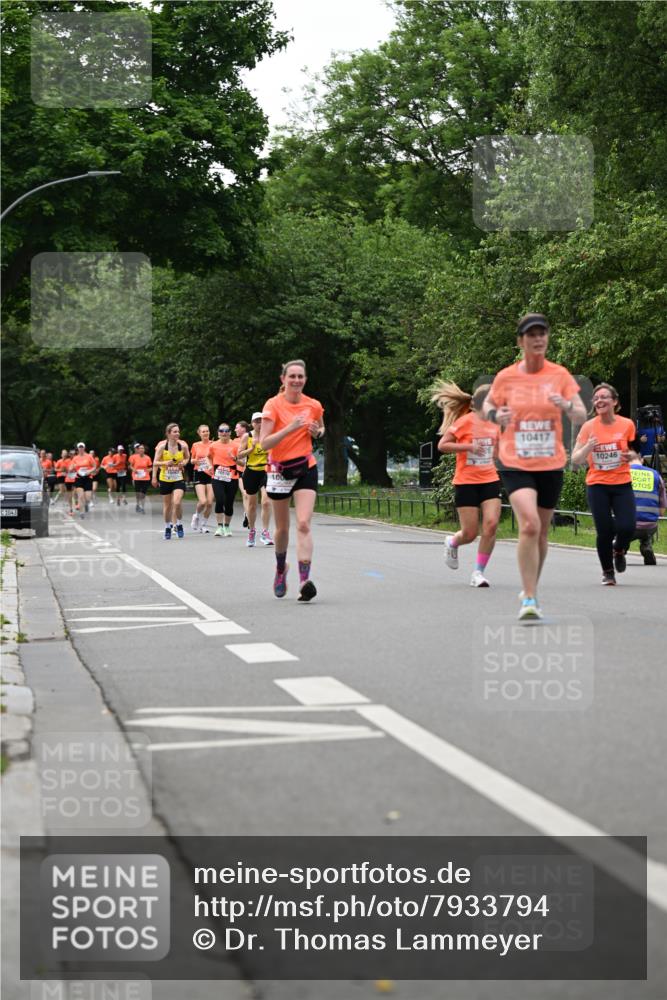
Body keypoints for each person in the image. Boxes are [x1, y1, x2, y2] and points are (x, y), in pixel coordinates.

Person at [483, 313, 586, 619]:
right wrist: (495, 416)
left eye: (542, 334)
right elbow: (488, 404)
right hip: (515, 460)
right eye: (531, 335)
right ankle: (529, 598)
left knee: (541, 533)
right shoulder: (506, 377)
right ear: (521, 341)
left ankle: (531, 587)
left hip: (550, 461)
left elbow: (580, 413)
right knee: (529, 523)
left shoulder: (559, 375)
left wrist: (566, 405)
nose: (538, 339)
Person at [259, 359, 324, 601]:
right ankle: (280, 569)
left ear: (305, 379)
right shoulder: (273, 405)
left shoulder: (314, 405)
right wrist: (291, 427)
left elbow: (321, 429)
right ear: (283, 379)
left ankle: (304, 581)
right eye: (292, 376)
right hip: (279, 470)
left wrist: (316, 432)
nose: (296, 380)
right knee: (282, 528)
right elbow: (264, 443)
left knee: (304, 523)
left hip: (305, 466)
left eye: (300, 376)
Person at [433, 381, 501, 587]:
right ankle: (452, 542)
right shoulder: (464, 422)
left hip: (490, 479)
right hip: (466, 482)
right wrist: (469, 446)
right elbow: (442, 445)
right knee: (470, 533)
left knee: (491, 525)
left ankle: (478, 573)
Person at [572, 383, 638, 585]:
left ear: (615, 402)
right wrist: (588, 447)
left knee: (628, 526)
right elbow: (575, 459)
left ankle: (619, 549)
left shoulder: (627, 424)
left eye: (604, 397)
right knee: (604, 531)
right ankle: (608, 572)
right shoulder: (588, 427)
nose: (599, 401)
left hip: (622, 483)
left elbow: (635, 453)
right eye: (596, 398)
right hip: (597, 484)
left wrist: (632, 456)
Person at [239, 412, 274, 547]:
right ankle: (252, 530)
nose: (259, 423)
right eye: (256, 421)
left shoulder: (269, 435)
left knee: (266, 502)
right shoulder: (247, 437)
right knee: (252, 505)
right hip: (251, 471)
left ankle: (265, 533)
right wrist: (252, 448)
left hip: (266, 470)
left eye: (261, 421)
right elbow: (239, 454)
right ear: (252, 423)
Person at [627, 449, 665, 566]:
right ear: (642, 460)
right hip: (651, 525)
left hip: (628, 525)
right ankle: (646, 544)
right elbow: (662, 506)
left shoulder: (622, 474)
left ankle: (620, 548)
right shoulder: (655, 475)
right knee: (645, 532)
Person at [152, 423, 189, 539]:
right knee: (167, 506)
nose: (177, 434)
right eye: (174, 432)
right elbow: (155, 462)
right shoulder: (162, 447)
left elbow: (188, 457)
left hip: (178, 477)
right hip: (165, 478)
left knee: (177, 502)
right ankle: (167, 527)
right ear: (168, 434)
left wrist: (184, 462)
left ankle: (178, 524)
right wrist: (164, 463)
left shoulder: (182, 446)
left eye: (178, 431)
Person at [209, 424, 240, 537]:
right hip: (217, 476)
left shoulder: (236, 445)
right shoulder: (213, 445)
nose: (224, 433)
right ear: (218, 433)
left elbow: (242, 463)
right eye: (221, 430)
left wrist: (235, 459)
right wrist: (209, 466)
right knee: (220, 499)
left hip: (232, 477)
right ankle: (219, 526)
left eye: (227, 430)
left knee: (229, 503)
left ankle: (227, 526)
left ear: (230, 432)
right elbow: (208, 457)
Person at [189, 425, 214, 533]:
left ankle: (203, 525)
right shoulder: (195, 445)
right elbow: (191, 460)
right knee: (203, 501)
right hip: (199, 473)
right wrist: (194, 461)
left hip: (211, 473)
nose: (205, 433)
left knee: (209, 503)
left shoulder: (214, 444)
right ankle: (196, 515)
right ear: (199, 433)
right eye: (203, 431)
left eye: (207, 431)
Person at [70, 442, 96, 517]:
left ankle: (86, 504)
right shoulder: (75, 458)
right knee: (80, 496)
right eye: (79, 447)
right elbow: (70, 468)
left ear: (84, 448)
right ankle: (82, 512)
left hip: (88, 478)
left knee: (87, 497)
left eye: (82, 447)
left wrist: (89, 471)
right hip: (79, 478)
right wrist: (73, 467)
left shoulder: (89, 456)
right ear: (78, 449)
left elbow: (94, 466)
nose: (81, 449)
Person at [234, 420, 251, 527]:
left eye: (237, 427)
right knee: (245, 494)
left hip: (251, 470)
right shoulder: (234, 441)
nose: (235, 429)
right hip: (240, 470)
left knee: (249, 495)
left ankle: (247, 513)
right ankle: (248, 516)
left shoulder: (251, 438)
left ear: (243, 429)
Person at [129, 443, 152, 513]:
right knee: (138, 493)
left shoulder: (147, 458)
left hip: (145, 477)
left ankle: (142, 507)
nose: (141, 449)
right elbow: (130, 466)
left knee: (143, 493)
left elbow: (151, 467)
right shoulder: (134, 457)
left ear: (144, 450)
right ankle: (138, 504)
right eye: (140, 448)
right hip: (137, 477)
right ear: (138, 450)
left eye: (142, 448)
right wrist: (134, 470)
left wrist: (149, 470)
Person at [64, 449, 78, 515]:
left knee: (75, 493)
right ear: (69, 455)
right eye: (71, 454)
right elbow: (65, 470)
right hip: (68, 479)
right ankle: (71, 509)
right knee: (69, 495)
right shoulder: (66, 461)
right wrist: (68, 470)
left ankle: (76, 502)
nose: (73, 455)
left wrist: (74, 469)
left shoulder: (78, 460)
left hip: (76, 479)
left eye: (74, 454)